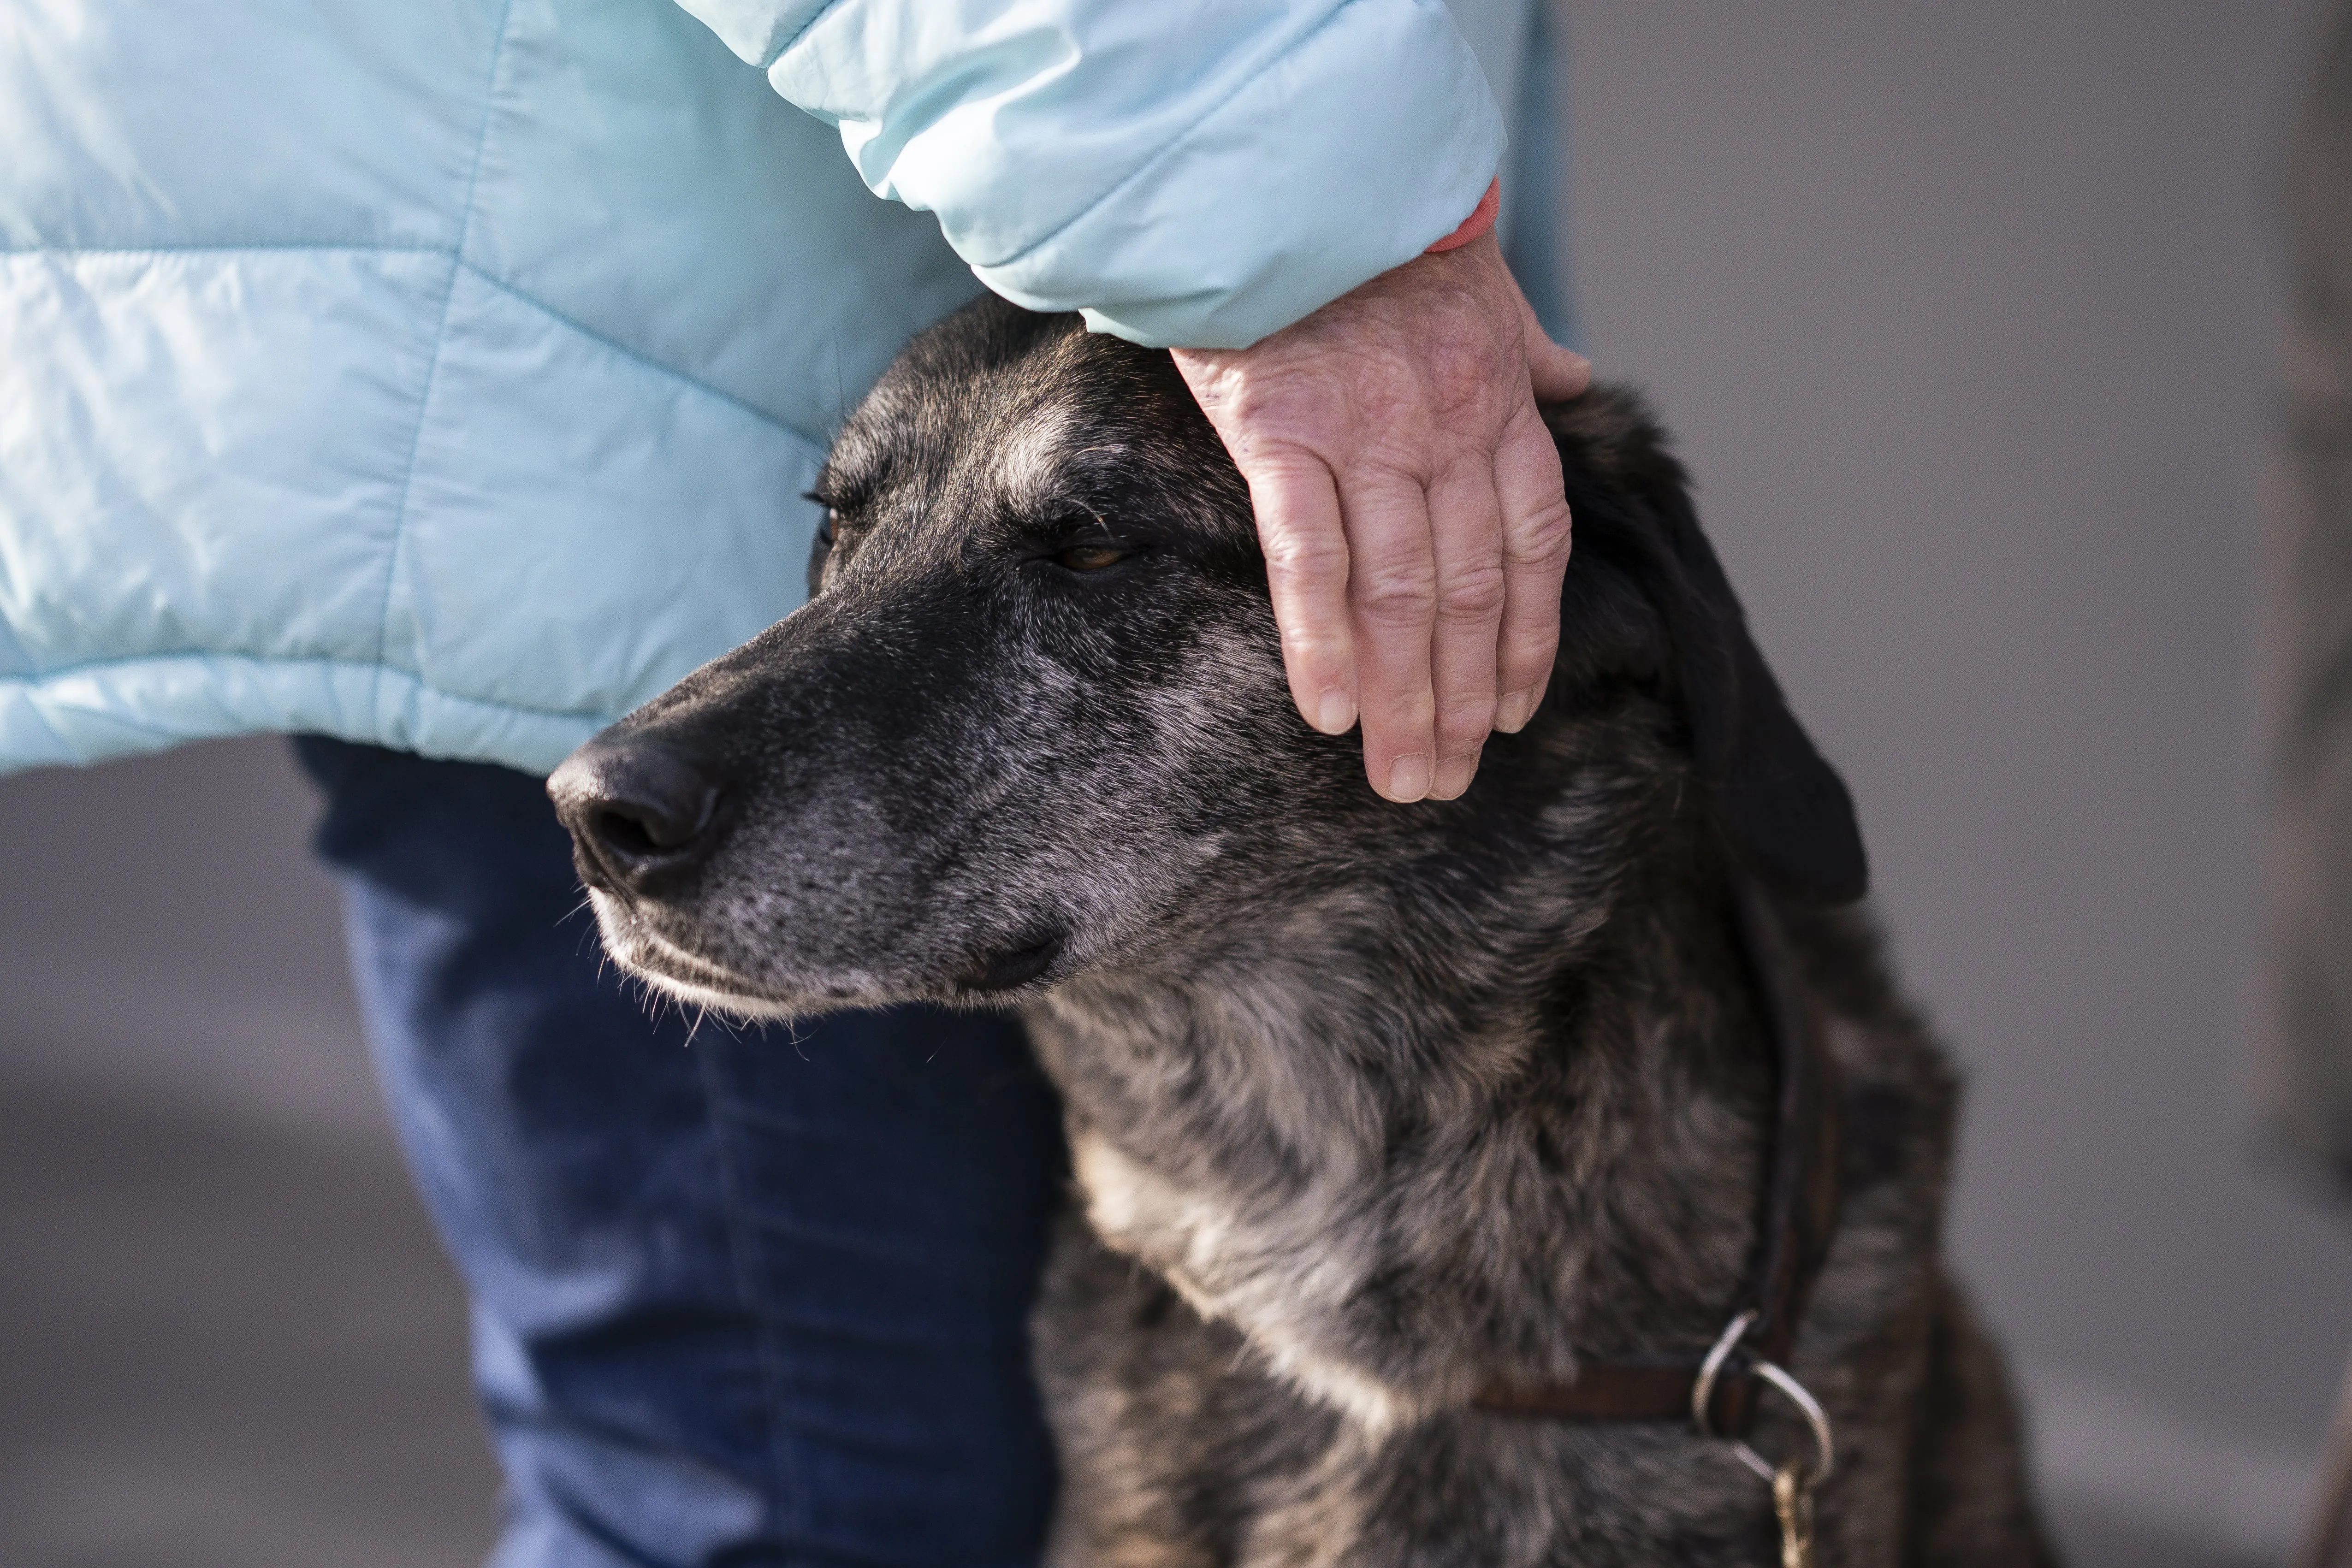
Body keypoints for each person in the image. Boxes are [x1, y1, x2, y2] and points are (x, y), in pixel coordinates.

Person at [0, 1, 1583, 1561]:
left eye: (1091, 549)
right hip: (628, 388)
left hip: (555, 343)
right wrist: (1302, 230)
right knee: (786, 1501)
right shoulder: (1261, 223)